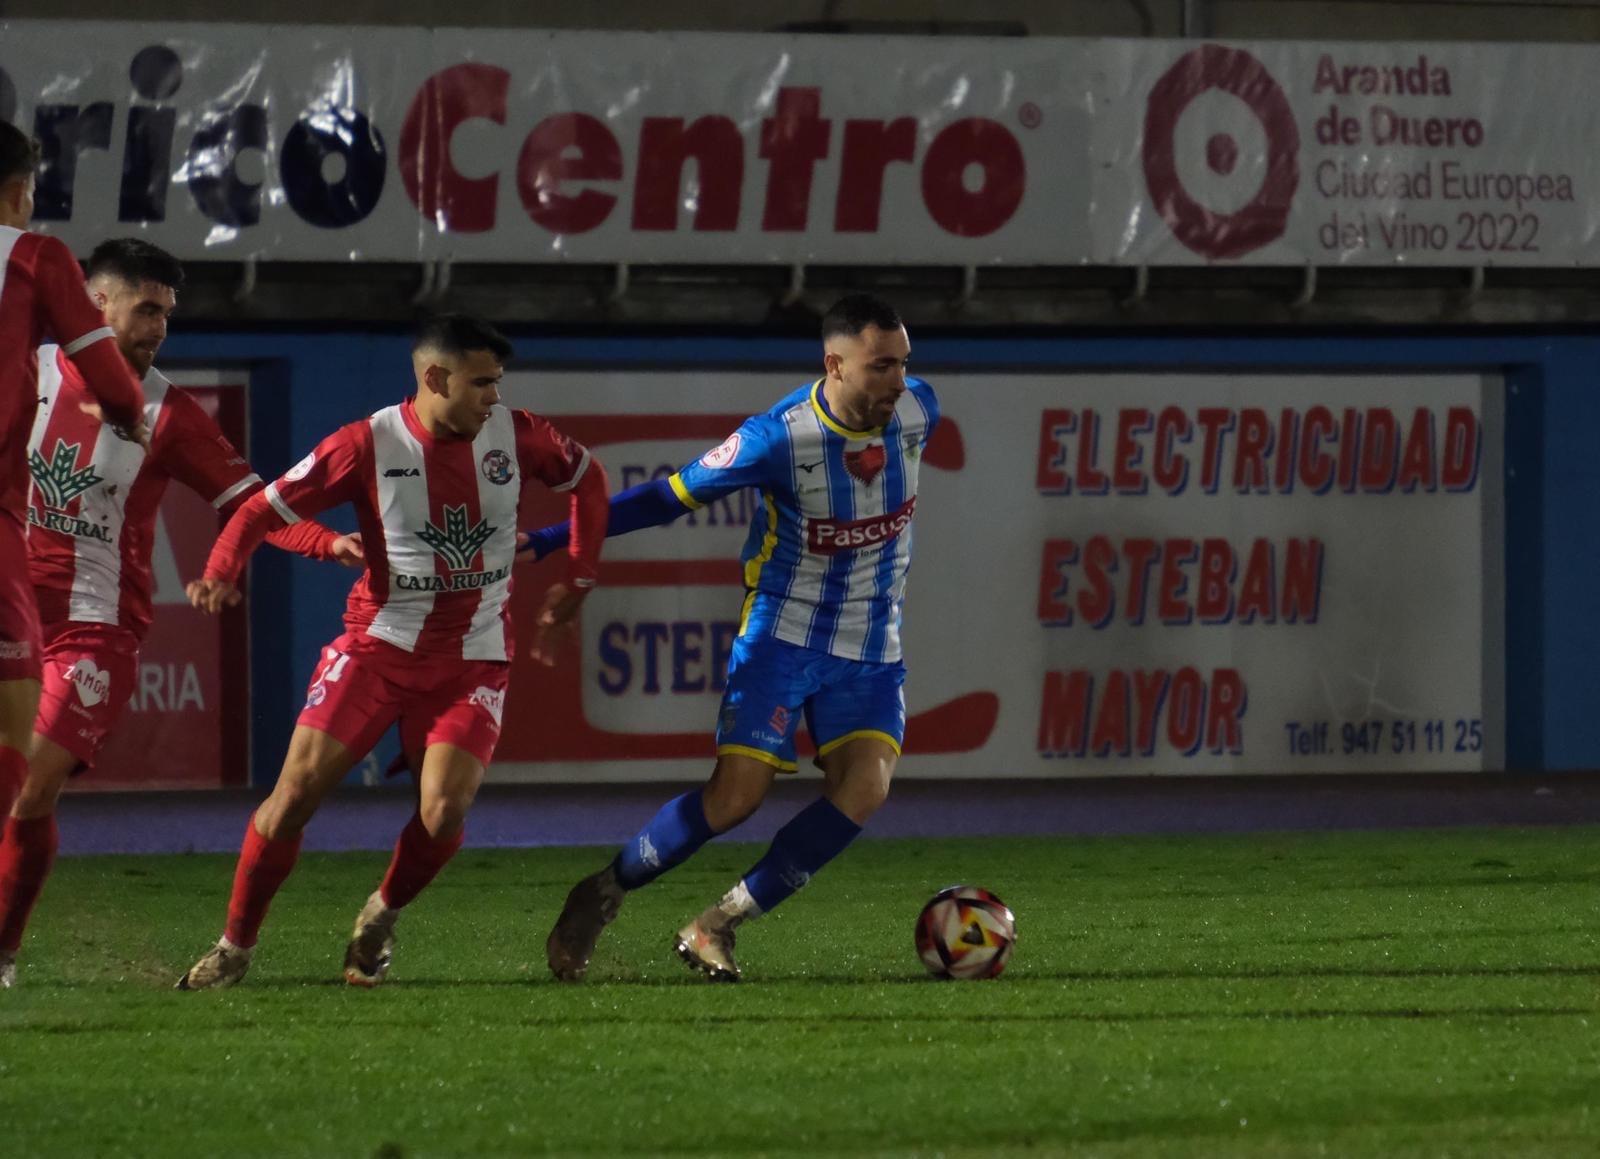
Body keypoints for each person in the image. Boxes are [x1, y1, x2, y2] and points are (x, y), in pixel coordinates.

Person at [176, 314, 608, 990]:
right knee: (293, 796)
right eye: (481, 383)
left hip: (474, 655)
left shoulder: (517, 434)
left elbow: (589, 478)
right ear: (434, 378)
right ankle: (235, 944)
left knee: (444, 810)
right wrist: (223, 568)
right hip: (377, 647)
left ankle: (379, 917)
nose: (494, 397)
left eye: (498, 383)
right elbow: (261, 508)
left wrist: (580, 573)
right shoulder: (364, 444)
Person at [535, 293, 937, 982]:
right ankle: (605, 888)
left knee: (864, 789)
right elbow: (666, 497)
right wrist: (549, 540)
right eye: (880, 367)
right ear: (833, 363)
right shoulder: (777, 437)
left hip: (872, 647)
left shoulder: (920, 410)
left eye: (903, 364)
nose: (898, 381)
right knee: (733, 799)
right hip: (782, 638)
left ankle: (715, 925)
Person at [0, 238, 358, 988]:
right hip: (12, 608)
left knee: (30, 786)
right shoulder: (23, 371)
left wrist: (328, 543)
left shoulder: (167, 413)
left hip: (93, 628)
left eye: (168, 311)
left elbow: (256, 506)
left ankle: (2, 950)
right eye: (146, 307)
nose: (160, 325)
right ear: (95, 304)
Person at [0, 123, 147, 831]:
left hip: (74, 607)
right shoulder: (34, 255)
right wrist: (127, 410)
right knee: (15, 741)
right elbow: (111, 378)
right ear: (21, 190)